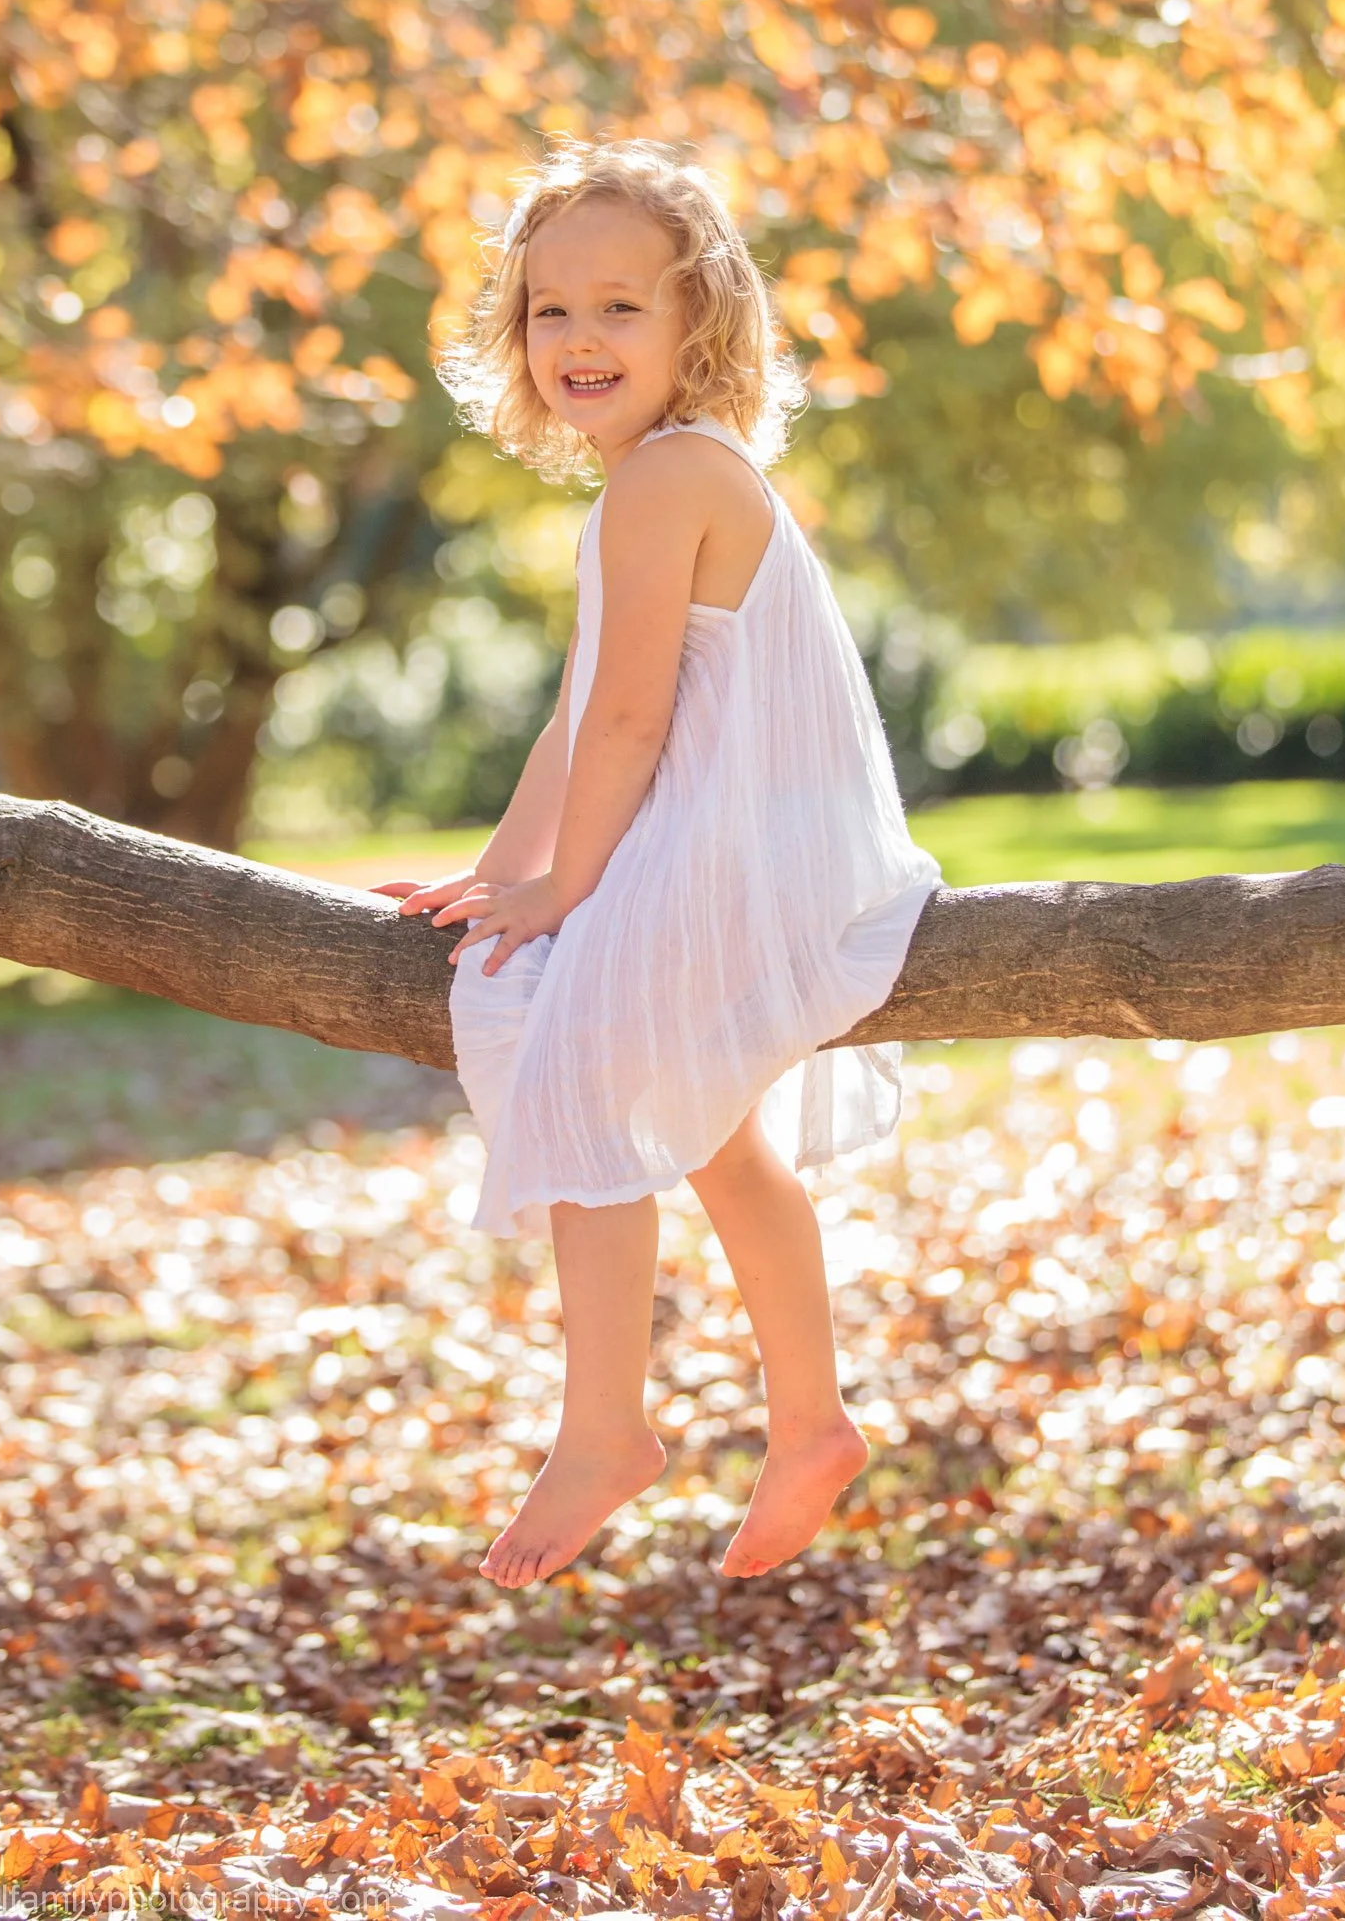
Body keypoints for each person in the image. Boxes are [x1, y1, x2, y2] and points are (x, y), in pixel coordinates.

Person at [379, 138, 940, 1590]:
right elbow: (580, 717)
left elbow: (632, 719)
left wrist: (565, 893)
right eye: (551, 310)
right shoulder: (659, 480)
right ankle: (811, 1419)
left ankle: (605, 1426)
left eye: (621, 307)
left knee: (561, 1026)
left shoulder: (670, 477)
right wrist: (495, 871)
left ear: (701, 321)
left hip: (752, 842)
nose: (580, 338)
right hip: (761, 835)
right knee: (708, 1131)